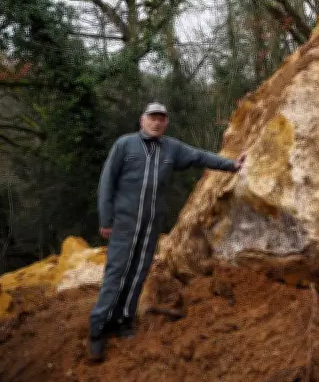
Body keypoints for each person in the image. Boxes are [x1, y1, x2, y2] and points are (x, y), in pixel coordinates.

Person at [88, 102, 246, 361]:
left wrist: (231, 165)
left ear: (166, 123)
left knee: (139, 272)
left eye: (161, 118)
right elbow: (107, 182)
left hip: (151, 226)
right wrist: (106, 220)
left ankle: (124, 321)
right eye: (152, 118)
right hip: (124, 224)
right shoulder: (125, 145)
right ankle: (97, 329)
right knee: (116, 272)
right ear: (142, 120)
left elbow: (199, 156)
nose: (157, 122)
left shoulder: (171, 148)